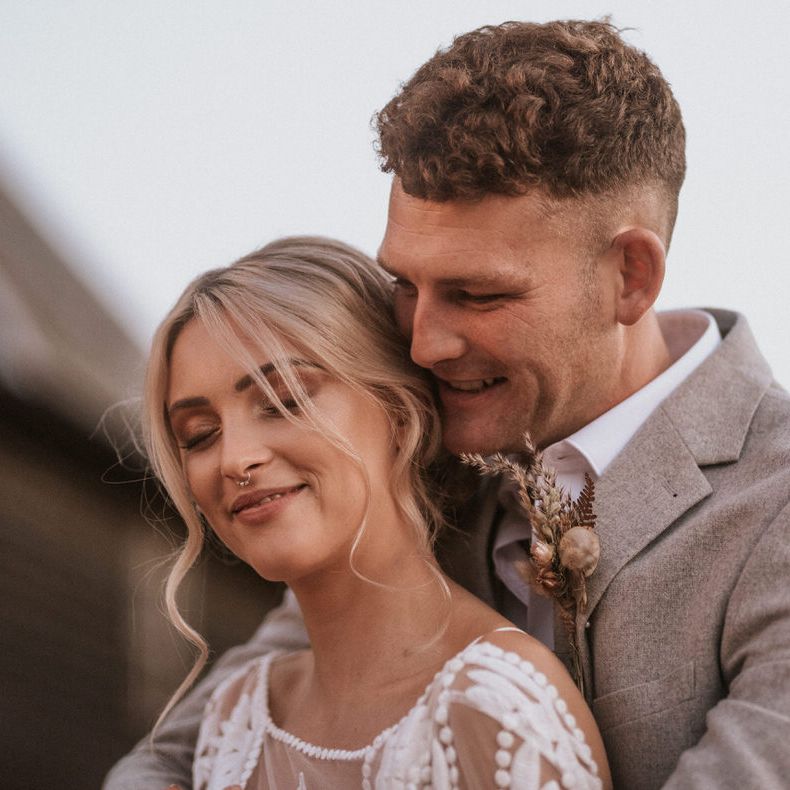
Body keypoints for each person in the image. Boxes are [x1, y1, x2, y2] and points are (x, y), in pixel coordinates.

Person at [105, 19, 790, 790]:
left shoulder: (778, 502)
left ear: (630, 276)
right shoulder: (426, 458)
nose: (424, 345)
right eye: (405, 285)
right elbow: (196, 746)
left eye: (476, 294)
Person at [134, 236, 609, 789]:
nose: (235, 459)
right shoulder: (233, 720)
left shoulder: (495, 704)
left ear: (400, 414)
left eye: (284, 400)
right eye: (200, 435)